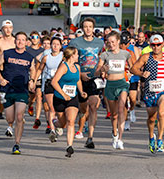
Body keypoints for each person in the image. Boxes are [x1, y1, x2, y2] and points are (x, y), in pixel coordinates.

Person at [131, 34, 164, 153]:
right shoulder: (146, 57)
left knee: (162, 113)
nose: (156, 47)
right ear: (150, 45)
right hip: (150, 91)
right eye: (153, 45)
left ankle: (160, 139)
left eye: (158, 45)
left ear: (163, 44)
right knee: (151, 118)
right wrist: (141, 74)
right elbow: (133, 68)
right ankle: (151, 136)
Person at [0, 31, 38, 154]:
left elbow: (33, 69)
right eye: (18, 40)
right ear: (15, 41)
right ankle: (10, 125)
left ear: (26, 42)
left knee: (19, 116)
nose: (20, 42)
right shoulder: (7, 53)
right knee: (10, 117)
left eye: (22, 40)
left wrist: (32, 81)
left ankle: (17, 144)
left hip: (22, 90)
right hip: (8, 89)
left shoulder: (29, 57)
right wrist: (1, 78)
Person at [68, 18, 104, 148]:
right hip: (79, 77)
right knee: (83, 108)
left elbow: (102, 57)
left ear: (93, 28)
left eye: (90, 26)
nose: (88, 29)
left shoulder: (99, 42)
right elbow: (69, 59)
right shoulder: (75, 42)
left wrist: (101, 70)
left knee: (93, 106)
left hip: (93, 78)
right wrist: (79, 74)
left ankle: (90, 137)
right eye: (85, 26)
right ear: (82, 28)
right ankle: (81, 119)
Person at [96, 31, 132, 150]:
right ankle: (115, 133)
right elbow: (97, 71)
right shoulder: (105, 55)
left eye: (113, 42)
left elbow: (133, 67)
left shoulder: (125, 54)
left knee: (121, 109)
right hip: (110, 85)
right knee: (114, 115)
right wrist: (103, 68)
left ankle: (120, 139)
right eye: (109, 42)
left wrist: (132, 72)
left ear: (118, 42)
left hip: (122, 84)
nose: (111, 44)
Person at [52, 47, 86, 157]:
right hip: (59, 98)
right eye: (76, 54)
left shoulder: (77, 67)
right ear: (72, 56)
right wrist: (63, 94)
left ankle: (69, 146)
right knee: (63, 124)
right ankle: (55, 124)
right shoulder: (63, 67)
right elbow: (54, 82)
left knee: (71, 121)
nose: (78, 57)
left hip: (72, 98)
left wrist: (81, 92)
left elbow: (78, 80)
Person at [0, 20, 17, 136]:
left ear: (12, 28)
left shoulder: (17, 41)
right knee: (6, 99)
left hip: (16, 73)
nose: (8, 30)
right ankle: (10, 124)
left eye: (10, 28)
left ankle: (15, 121)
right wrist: (1, 61)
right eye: (5, 28)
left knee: (17, 99)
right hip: (3, 73)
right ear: (2, 29)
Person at [38, 37, 64, 142]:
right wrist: (34, 79)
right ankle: (52, 130)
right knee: (51, 108)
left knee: (59, 109)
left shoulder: (63, 57)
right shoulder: (46, 57)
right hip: (49, 83)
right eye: (53, 44)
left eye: (57, 44)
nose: (55, 46)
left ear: (61, 46)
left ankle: (58, 124)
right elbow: (39, 69)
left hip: (60, 83)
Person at [25, 31, 45, 129]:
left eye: (36, 37)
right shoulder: (27, 50)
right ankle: (30, 105)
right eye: (32, 37)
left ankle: (37, 118)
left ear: (39, 39)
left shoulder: (43, 50)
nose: (34, 38)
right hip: (29, 75)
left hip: (39, 76)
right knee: (31, 96)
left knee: (38, 95)